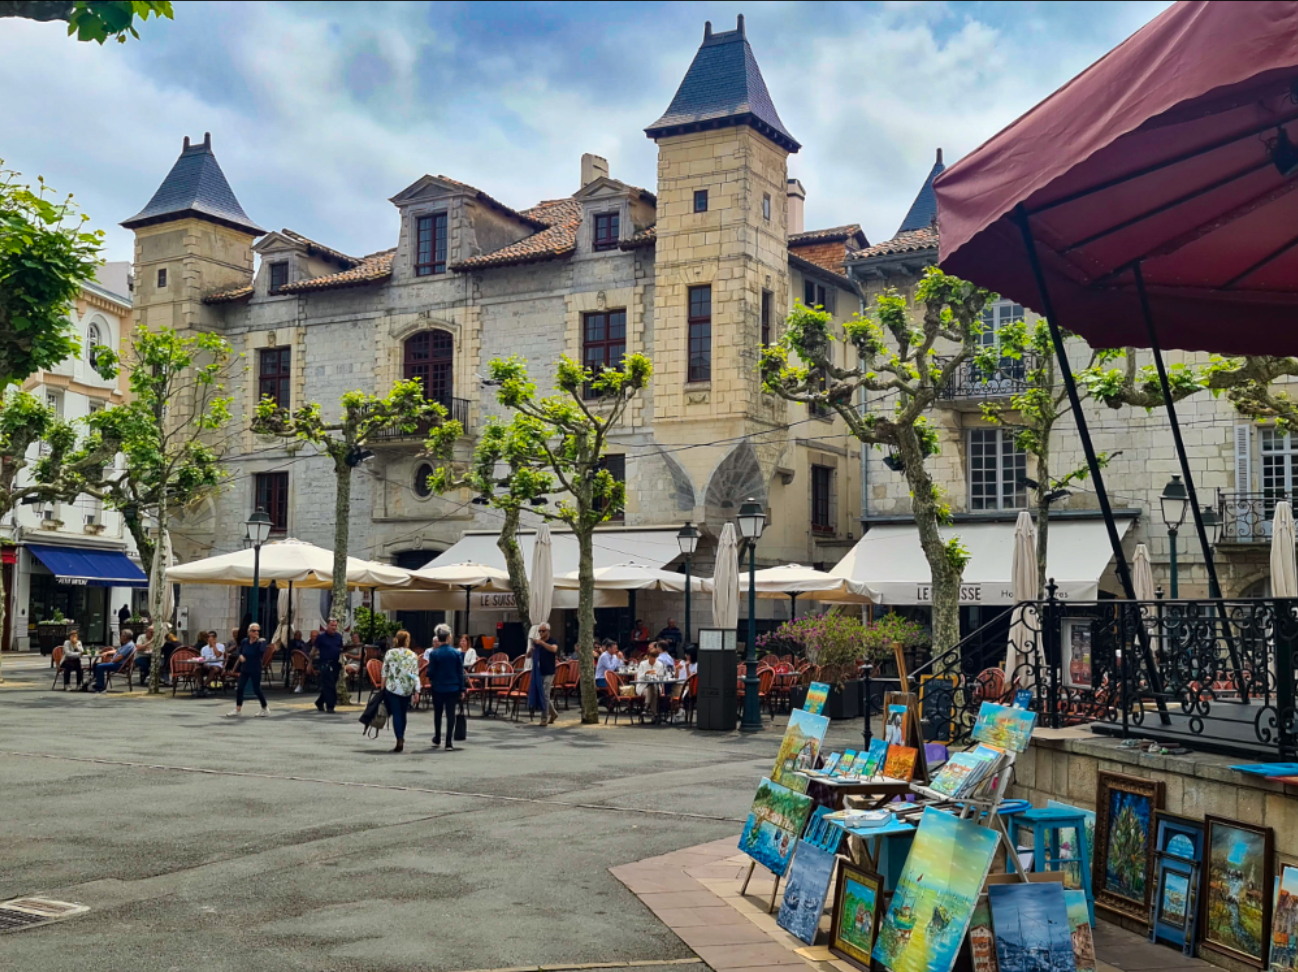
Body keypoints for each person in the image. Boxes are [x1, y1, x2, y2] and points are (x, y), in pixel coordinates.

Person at [426, 624, 466, 750]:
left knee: (438, 713)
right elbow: (460, 672)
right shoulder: (456, 653)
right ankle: (448, 741)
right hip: (453, 687)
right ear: (449, 637)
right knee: (450, 714)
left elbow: (431, 671)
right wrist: (462, 688)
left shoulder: (434, 654)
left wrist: (430, 676)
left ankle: (437, 737)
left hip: (438, 686)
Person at [381, 629, 420, 753]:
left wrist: (382, 687)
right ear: (407, 640)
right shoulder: (413, 655)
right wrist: (417, 690)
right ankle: (401, 735)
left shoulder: (390, 653)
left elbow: (384, 671)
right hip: (406, 687)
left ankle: (399, 737)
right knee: (403, 714)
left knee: (396, 713)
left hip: (392, 687)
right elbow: (415, 674)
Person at [225, 623, 269, 717]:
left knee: (257, 689)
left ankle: (264, 708)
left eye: (258, 631)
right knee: (240, 688)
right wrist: (241, 657)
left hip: (255, 668)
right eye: (254, 631)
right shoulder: (245, 641)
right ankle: (238, 710)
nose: (256, 632)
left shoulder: (260, 643)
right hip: (245, 668)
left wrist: (261, 641)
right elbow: (240, 652)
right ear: (249, 632)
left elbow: (262, 652)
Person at [529, 622, 560, 725]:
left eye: (543, 631)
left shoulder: (552, 641)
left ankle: (544, 718)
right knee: (543, 694)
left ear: (548, 631)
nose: (541, 633)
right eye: (540, 631)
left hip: (549, 671)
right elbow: (528, 656)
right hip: (538, 672)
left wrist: (541, 643)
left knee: (545, 694)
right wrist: (530, 650)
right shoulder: (537, 643)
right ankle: (553, 713)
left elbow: (554, 649)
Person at [314, 617, 344, 713]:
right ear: (327, 626)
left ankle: (319, 702)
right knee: (329, 684)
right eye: (332, 625)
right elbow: (314, 649)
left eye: (335, 625)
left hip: (335, 663)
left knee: (330, 684)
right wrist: (310, 663)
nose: (334, 627)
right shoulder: (321, 637)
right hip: (324, 663)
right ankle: (330, 706)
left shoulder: (339, 636)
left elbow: (341, 649)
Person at [196, 630, 225, 695]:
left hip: (217, 665)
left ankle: (203, 686)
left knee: (213, 669)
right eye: (208, 637)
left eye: (212, 637)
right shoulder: (204, 648)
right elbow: (203, 659)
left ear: (215, 638)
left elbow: (217, 655)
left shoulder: (221, 646)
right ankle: (202, 686)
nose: (209, 639)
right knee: (197, 669)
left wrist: (213, 645)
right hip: (207, 665)